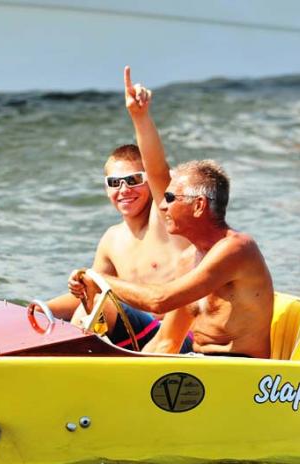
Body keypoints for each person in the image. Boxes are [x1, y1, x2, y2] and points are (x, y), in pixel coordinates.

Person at [70, 67, 274, 358]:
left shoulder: (237, 248)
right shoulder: (188, 260)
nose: (162, 205)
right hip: (197, 367)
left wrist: (98, 280)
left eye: (170, 198)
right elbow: (166, 343)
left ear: (199, 205)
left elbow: (159, 301)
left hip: (241, 372)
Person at [46, 142, 192, 348]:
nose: (124, 189)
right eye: (114, 182)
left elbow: (158, 168)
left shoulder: (166, 221)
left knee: (101, 304)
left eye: (134, 180)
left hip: (176, 338)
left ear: (150, 182)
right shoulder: (111, 238)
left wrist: (140, 122)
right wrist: (41, 309)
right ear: (107, 189)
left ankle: (69, 360)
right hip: (137, 335)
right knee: (91, 303)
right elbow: (91, 293)